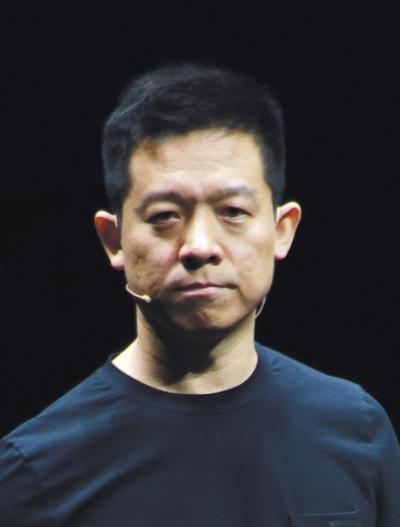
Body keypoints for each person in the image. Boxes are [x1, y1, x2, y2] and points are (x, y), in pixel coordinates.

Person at [0, 63, 399, 526]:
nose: (200, 246)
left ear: (281, 229)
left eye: (232, 211)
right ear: (114, 239)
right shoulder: (36, 474)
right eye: (165, 216)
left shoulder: (356, 431)